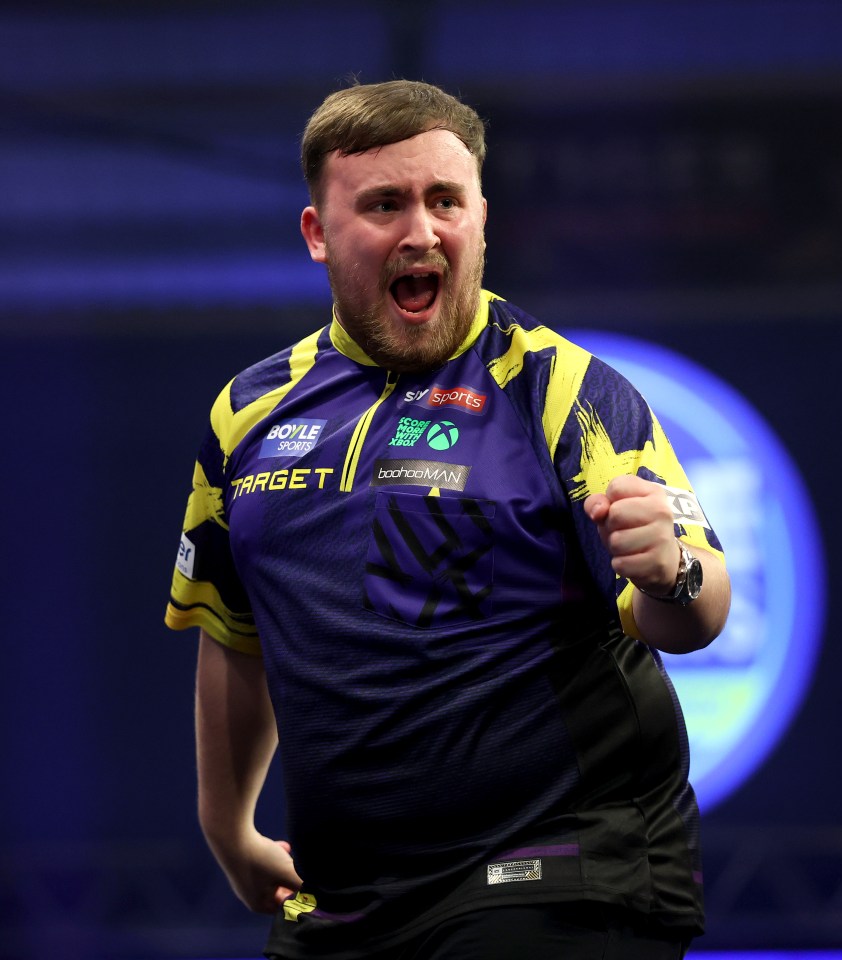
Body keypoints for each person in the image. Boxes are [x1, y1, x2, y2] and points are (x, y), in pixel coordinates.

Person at [165, 79, 731, 960]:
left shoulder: (566, 390)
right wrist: (228, 827)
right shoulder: (249, 412)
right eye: (385, 204)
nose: (421, 232)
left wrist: (674, 571)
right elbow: (234, 632)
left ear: (481, 221)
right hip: (346, 899)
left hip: (557, 868)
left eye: (445, 202)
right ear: (318, 234)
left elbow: (697, 614)